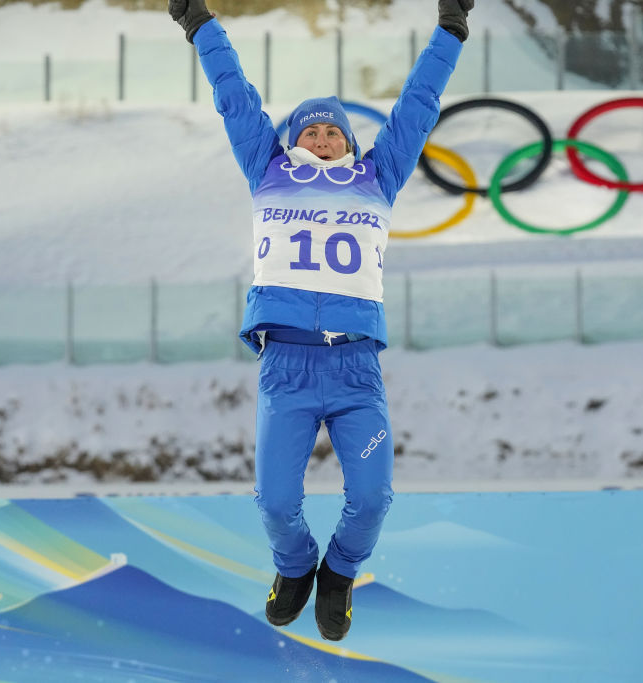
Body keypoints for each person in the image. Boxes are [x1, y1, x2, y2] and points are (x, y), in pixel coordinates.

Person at [167, 0, 474, 641]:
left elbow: (417, 105)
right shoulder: (268, 170)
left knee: (373, 500)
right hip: (288, 364)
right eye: (310, 130)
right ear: (291, 140)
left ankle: (338, 573)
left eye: (334, 131)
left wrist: (449, 30)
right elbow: (235, 97)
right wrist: (202, 25)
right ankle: (296, 565)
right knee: (276, 503)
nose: (323, 137)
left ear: (352, 143)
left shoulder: (378, 178)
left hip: (357, 367)